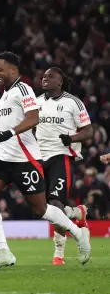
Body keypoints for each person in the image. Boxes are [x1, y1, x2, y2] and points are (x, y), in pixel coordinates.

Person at [0, 52, 91, 270]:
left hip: (24, 159)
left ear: (13, 69)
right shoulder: (4, 95)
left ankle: (78, 234)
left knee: (42, 210)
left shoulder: (24, 89)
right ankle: (3, 251)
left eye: (0, 69)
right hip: (2, 156)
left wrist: (8, 133)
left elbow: (33, 118)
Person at [36, 68, 93, 265]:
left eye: (50, 76)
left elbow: (88, 131)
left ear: (60, 82)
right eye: (44, 76)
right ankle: (77, 213)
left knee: (56, 204)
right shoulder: (37, 102)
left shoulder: (73, 102)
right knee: (42, 208)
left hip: (62, 157)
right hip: (38, 157)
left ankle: (59, 252)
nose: (45, 78)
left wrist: (71, 138)